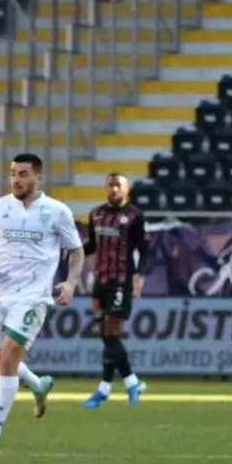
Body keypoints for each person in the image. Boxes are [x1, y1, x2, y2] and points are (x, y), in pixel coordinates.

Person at [0, 154, 85, 447]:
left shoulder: (57, 212)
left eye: (23, 174)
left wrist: (71, 283)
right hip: (0, 294)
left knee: (8, 358)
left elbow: (76, 251)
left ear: (38, 178)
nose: (16, 180)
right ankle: (37, 384)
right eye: (12, 174)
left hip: (34, 296)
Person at [82, 172, 149, 408]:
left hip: (121, 281)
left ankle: (129, 383)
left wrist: (138, 275)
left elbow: (144, 249)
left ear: (127, 189)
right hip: (100, 282)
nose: (114, 189)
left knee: (111, 332)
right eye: (110, 185)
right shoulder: (96, 214)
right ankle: (108, 387)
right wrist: (73, 250)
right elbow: (91, 244)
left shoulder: (134, 216)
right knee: (106, 336)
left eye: (118, 185)